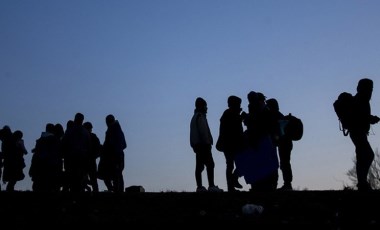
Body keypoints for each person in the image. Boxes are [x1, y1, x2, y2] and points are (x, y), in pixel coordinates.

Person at [349, 78, 380, 191]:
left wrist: (370, 119)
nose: (371, 91)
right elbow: (359, 116)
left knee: (362, 156)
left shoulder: (361, 99)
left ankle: (362, 183)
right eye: (369, 88)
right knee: (368, 155)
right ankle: (362, 183)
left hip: (358, 132)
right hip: (357, 131)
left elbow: (361, 116)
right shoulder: (361, 99)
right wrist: (371, 119)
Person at [190, 97, 223, 192]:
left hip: (197, 145)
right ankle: (211, 186)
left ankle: (199, 187)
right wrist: (208, 142)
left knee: (199, 166)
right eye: (205, 106)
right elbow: (203, 132)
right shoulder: (200, 117)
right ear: (202, 106)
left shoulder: (194, 117)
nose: (207, 108)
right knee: (210, 164)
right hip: (203, 145)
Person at [216, 95, 244, 192]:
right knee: (234, 164)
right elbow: (234, 130)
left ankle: (232, 182)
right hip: (231, 145)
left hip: (231, 144)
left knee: (233, 165)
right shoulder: (230, 114)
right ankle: (232, 183)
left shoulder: (230, 114)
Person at [266, 98, 294, 190]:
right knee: (285, 163)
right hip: (285, 143)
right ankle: (287, 183)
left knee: (284, 163)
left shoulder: (275, 116)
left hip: (284, 143)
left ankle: (287, 184)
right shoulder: (278, 115)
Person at [98, 114, 127, 192]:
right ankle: (118, 191)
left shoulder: (112, 131)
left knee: (112, 175)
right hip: (118, 155)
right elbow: (124, 145)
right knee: (118, 175)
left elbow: (108, 145)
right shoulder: (118, 130)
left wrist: (105, 149)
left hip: (114, 156)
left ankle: (115, 191)